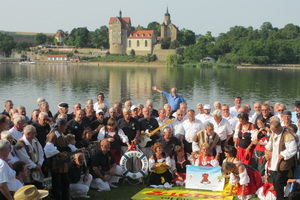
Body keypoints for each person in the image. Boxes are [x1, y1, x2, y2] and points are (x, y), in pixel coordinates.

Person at [265, 120, 298, 200]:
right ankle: (280, 197)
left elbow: (293, 148)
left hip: (283, 162)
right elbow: (270, 144)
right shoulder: (274, 133)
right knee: (276, 182)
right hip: (274, 161)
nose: (273, 132)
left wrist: (284, 154)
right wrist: (268, 148)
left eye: (274, 130)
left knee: (278, 182)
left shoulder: (287, 134)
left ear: (279, 127)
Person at [44, 118, 70, 200]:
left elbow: (67, 145)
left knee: (65, 184)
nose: (66, 127)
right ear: (60, 126)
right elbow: (48, 148)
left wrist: (77, 150)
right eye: (65, 125)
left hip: (63, 164)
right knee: (57, 185)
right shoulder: (52, 135)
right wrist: (59, 153)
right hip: (56, 165)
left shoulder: (61, 135)